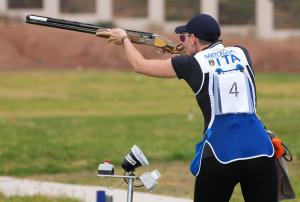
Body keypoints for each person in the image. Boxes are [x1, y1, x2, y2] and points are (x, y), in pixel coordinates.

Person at [96, 14, 278, 202]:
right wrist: (179, 52)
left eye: (184, 37)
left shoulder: (190, 65)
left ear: (192, 38)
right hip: (260, 149)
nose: (182, 41)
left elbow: (139, 65)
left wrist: (124, 39)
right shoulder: (242, 52)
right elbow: (214, 61)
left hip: (221, 151)